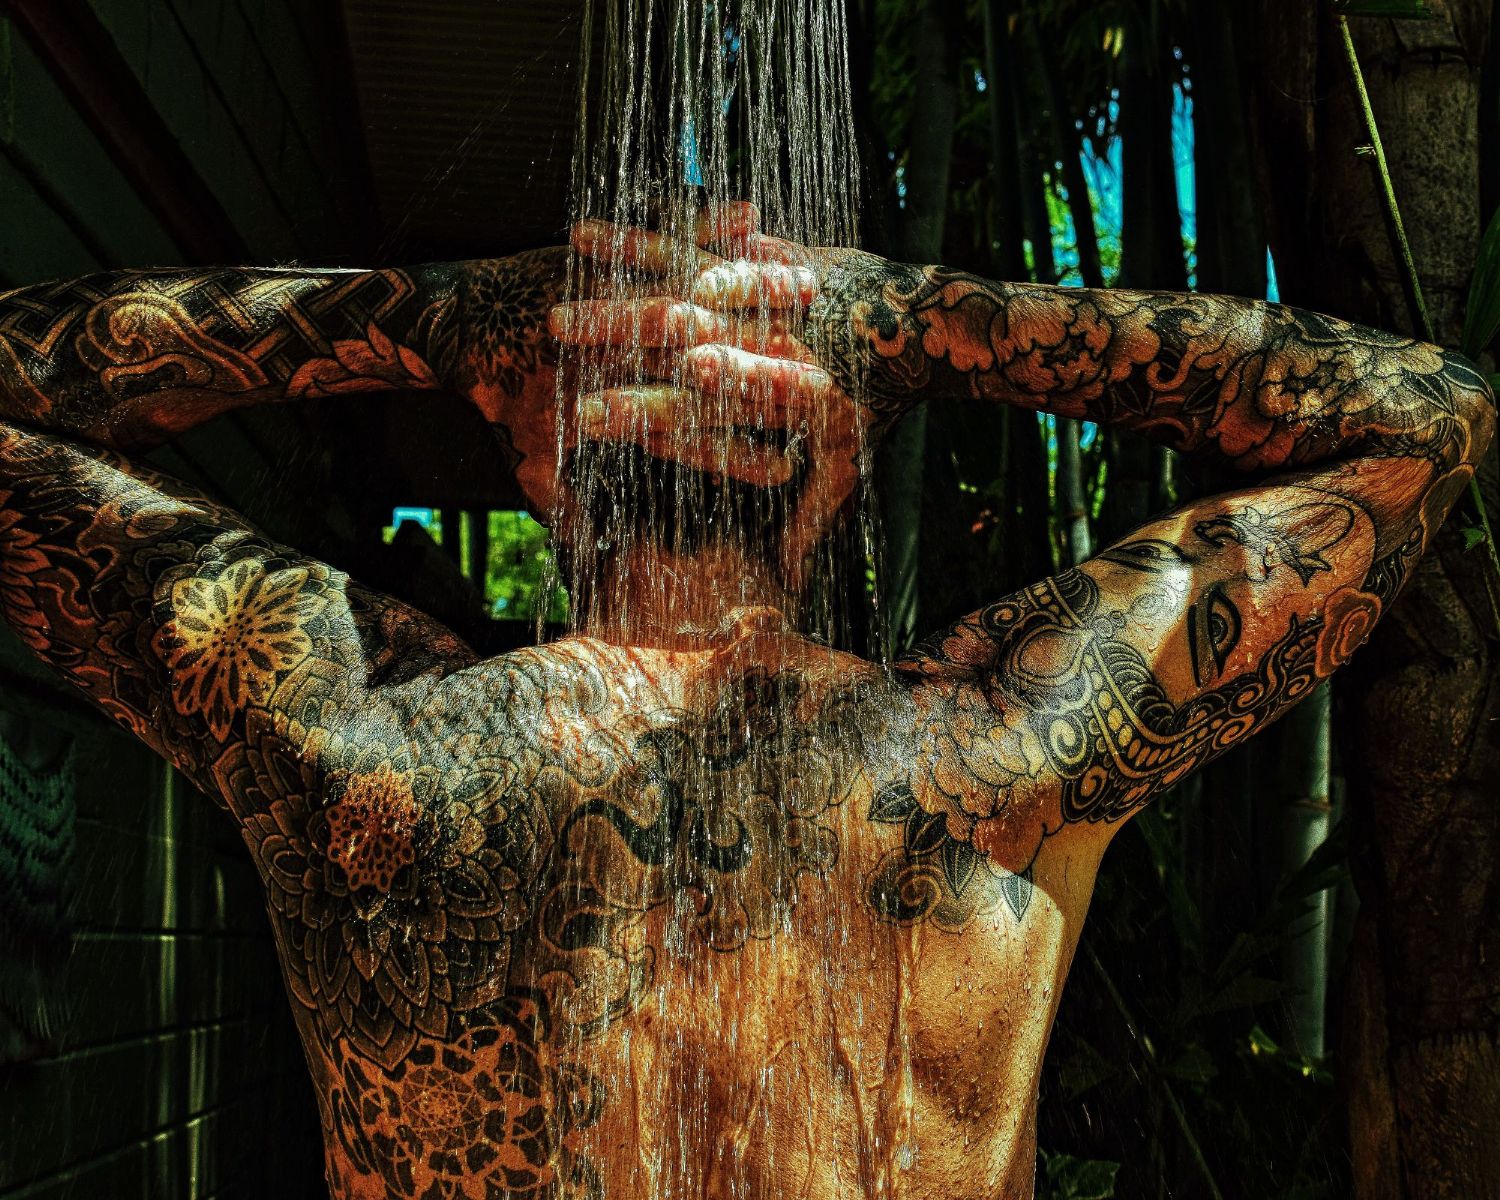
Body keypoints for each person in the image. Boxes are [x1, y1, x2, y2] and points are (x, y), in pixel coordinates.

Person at [0, 201, 1491, 1200]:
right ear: (830, 480)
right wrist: (915, 320)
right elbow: (1425, 416)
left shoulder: (360, 742)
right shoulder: (995, 753)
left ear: (548, 472)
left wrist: (445, 321)